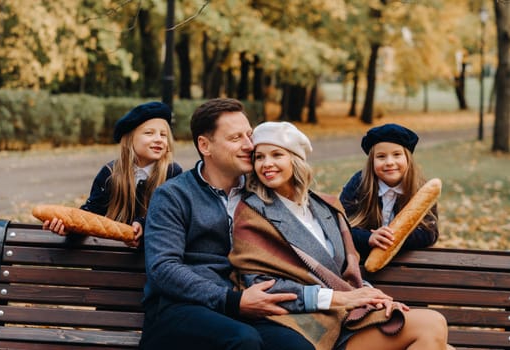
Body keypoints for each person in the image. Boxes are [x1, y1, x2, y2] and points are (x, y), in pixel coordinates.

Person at [229, 121, 453, 350]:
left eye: (277, 155)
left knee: (436, 333)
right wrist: (338, 298)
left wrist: (374, 295)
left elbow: (347, 270)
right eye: (259, 157)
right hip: (306, 325)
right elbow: (260, 286)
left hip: (349, 318)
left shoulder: (326, 207)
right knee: (432, 327)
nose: (267, 164)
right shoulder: (252, 213)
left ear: (295, 159)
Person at [139, 98, 299, 350]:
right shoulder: (174, 195)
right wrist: (231, 300)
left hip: (242, 306)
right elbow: (163, 268)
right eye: (236, 138)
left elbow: (310, 220)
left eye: (250, 135)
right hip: (180, 309)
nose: (249, 145)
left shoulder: (260, 192)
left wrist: (363, 239)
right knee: (243, 340)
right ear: (205, 145)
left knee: (295, 346)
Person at [44, 101, 182, 247]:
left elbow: (171, 217)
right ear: (129, 139)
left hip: (155, 259)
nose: (158, 139)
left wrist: (144, 224)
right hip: (112, 257)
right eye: (149, 133)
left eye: (163, 135)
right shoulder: (110, 174)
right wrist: (68, 228)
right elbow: (91, 216)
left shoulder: (172, 173)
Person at [339, 123, 439, 259]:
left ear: (408, 158)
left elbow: (430, 233)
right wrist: (369, 238)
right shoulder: (359, 184)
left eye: (397, 154)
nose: (389, 162)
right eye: (381, 156)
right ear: (371, 161)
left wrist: (392, 238)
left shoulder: (421, 188)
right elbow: (339, 226)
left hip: (408, 263)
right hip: (361, 261)